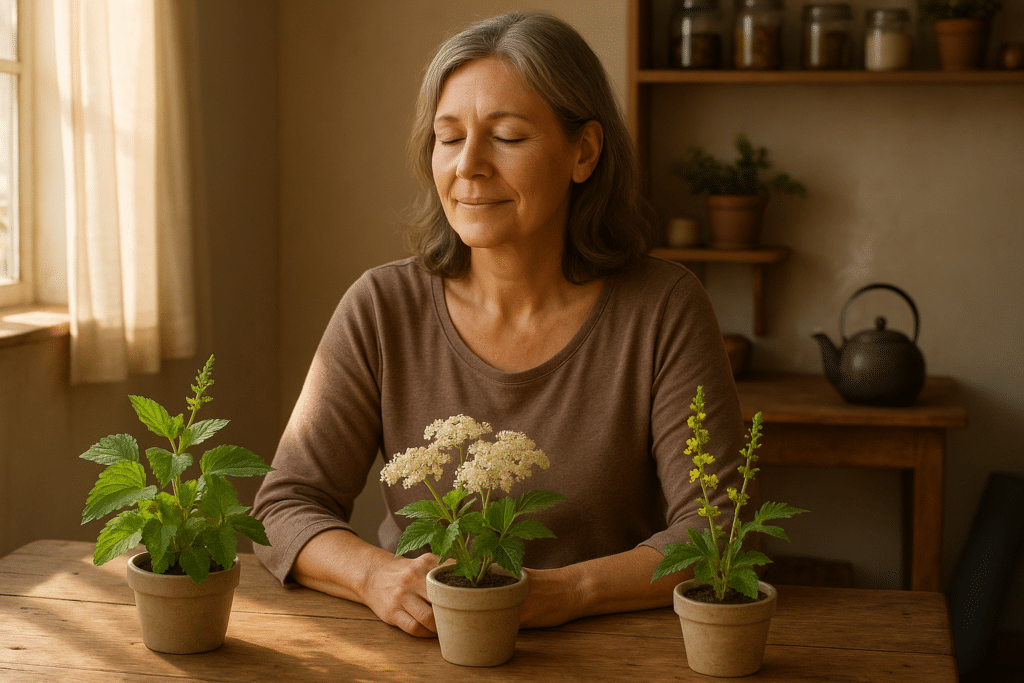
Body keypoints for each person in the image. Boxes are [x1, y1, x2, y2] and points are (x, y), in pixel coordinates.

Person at [252, 10, 746, 639]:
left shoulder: (664, 308)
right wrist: (375, 576)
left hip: (614, 653)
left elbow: (716, 528)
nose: (469, 165)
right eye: (449, 137)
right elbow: (283, 508)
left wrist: (570, 591)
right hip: (423, 651)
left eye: (507, 137)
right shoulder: (381, 306)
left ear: (584, 152)